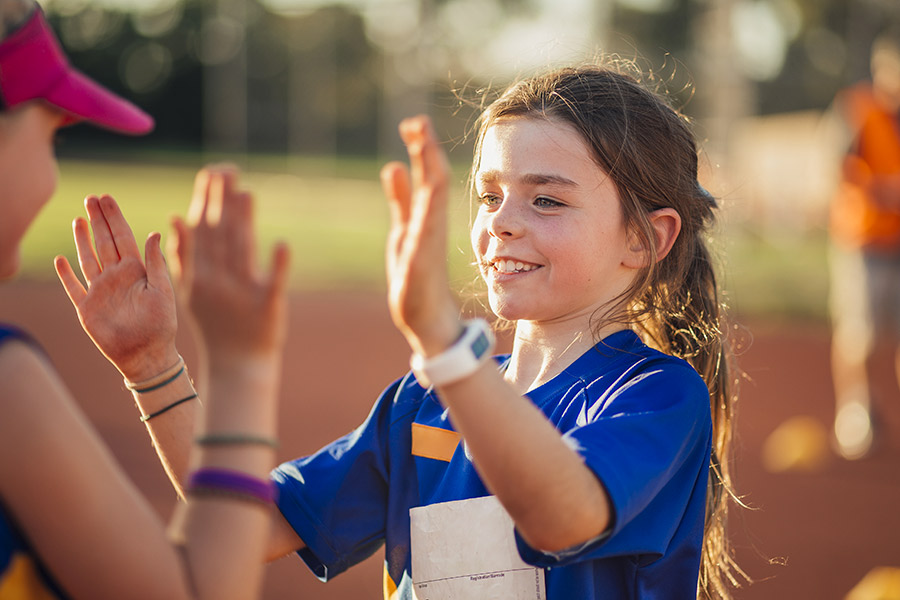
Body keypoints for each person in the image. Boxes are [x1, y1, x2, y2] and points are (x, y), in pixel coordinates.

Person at [66, 63, 742, 599]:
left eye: (546, 198)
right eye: (488, 194)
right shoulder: (423, 401)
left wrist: (448, 350)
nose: (501, 221)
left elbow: (561, 518)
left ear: (645, 239)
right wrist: (153, 367)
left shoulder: (656, 397)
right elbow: (251, 526)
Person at [0, 1, 290, 598]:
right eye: (51, 137)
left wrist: (153, 366)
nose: (52, 173)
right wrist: (242, 366)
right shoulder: (6, 387)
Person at [826, 32, 900, 460]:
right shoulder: (858, 109)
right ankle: (855, 411)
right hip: (864, 239)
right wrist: (880, 190)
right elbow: (837, 166)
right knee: (861, 333)